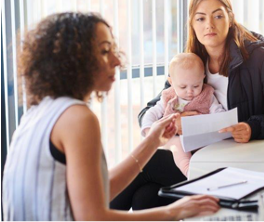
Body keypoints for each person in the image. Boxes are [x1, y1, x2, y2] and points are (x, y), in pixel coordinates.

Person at [2, 12, 220, 221]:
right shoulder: (77, 118)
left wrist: (153, 140)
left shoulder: (39, 113)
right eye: (105, 51)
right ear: (75, 60)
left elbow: (98, 191)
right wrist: (175, 212)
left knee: (147, 196)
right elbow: (92, 217)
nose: (117, 60)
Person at [112, 0, 264, 211]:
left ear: (230, 18)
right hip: (201, 159)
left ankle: (89, 214)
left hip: (240, 164)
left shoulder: (263, 61)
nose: (209, 25)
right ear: (192, 24)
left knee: (147, 165)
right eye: (200, 18)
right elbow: (152, 109)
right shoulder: (192, 63)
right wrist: (173, 124)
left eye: (217, 15)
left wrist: (252, 127)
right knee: (146, 197)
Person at [141, 53, 226, 176]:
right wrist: (149, 131)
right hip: (175, 138)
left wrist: (209, 123)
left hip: (201, 138)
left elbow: (219, 114)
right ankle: (188, 170)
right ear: (171, 82)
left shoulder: (207, 95)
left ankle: (205, 171)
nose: (190, 91)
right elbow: (151, 113)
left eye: (196, 85)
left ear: (203, 78)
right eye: (183, 86)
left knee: (210, 149)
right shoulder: (168, 96)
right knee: (177, 144)